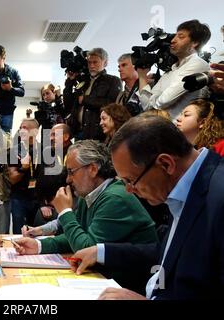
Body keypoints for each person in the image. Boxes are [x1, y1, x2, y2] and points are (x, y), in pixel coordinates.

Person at [69, 116, 224, 299]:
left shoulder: (218, 196)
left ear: (166, 164)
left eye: (130, 180)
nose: (129, 189)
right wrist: (101, 251)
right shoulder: (185, 188)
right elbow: (168, 254)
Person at [14, 140, 157, 256]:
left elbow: (86, 248)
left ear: (93, 169)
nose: (68, 180)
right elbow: (76, 236)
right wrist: (39, 246)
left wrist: (65, 211)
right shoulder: (89, 195)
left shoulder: (115, 198)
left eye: (71, 172)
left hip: (130, 285)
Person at [137, 19, 211, 120]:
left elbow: (162, 102)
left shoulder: (198, 64)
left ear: (194, 43)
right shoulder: (170, 71)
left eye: (181, 37)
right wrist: (142, 76)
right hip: (162, 129)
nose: (172, 40)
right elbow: (147, 106)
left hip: (181, 132)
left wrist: (153, 101)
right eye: (175, 35)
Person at [70, 48, 122, 141]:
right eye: (89, 62)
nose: (91, 65)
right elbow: (69, 104)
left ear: (105, 63)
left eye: (95, 62)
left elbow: (111, 104)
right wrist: (70, 81)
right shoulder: (83, 81)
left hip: (98, 134)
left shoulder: (113, 80)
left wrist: (85, 99)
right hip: (79, 133)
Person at [8, 118, 41, 233]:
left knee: (36, 233)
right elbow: (12, 179)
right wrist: (24, 168)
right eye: (20, 128)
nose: (22, 130)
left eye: (25, 128)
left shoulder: (44, 150)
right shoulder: (14, 151)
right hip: (19, 198)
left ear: (35, 132)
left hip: (38, 198)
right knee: (19, 232)